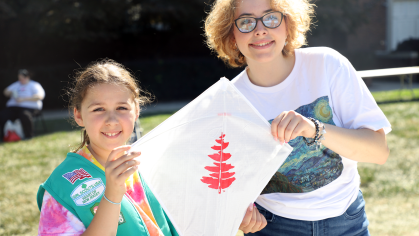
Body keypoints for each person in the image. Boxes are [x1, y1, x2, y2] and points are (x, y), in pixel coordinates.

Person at [204, 0, 391, 235]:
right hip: (274, 227)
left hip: (348, 222)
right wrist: (238, 214)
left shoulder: (328, 65)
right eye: (246, 22)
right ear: (231, 35)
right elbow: (220, 186)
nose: (260, 29)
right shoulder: (227, 103)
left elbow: (378, 152)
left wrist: (315, 128)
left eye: (271, 17)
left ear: (288, 23)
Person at [37, 60, 178, 236]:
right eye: (98, 109)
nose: (111, 120)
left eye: (121, 107)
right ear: (79, 116)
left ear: (136, 111)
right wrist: (111, 196)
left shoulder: (150, 162)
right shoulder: (61, 187)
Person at [0, 69, 45, 140]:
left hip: (29, 108)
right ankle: (4, 136)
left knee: (25, 115)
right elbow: (5, 91)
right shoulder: (16, 84)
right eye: (19, 78)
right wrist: (10, 93)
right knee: (2, 115)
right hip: (14, 107)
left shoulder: (34, 85)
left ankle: (29, 136)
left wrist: (23, 99)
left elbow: (39, 96)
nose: (20, 80)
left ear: (27, 77)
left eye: (22, 78)